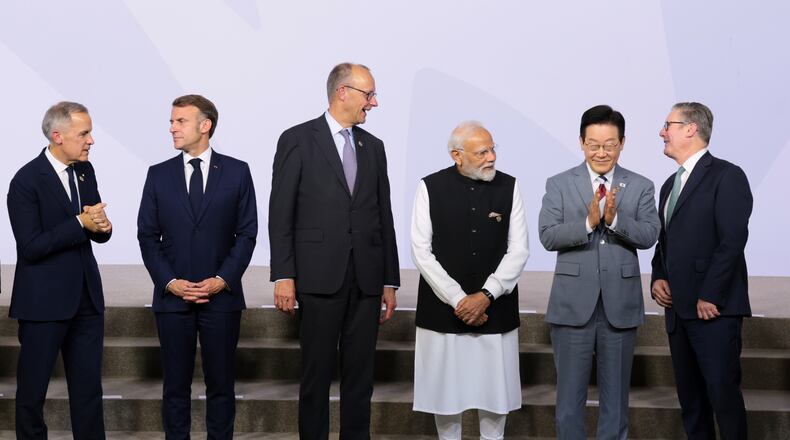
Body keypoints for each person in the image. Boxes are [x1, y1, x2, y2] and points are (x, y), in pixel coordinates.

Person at [268, 62, 399, 439]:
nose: (373, 103)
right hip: (317, 277)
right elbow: (282, 213)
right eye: (368, 94)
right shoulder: (297, 139)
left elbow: (382, 215)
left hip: (367, 279)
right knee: (316, 377)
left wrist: (389, 279)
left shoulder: (373, 147)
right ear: (342, 92)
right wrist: (284, 274)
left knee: (361, 379)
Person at [137, 94, 258, 439]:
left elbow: (247, 233)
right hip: (173, 299)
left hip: (221, 298)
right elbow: (147, 236)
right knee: (175, 387)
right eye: (172, 121)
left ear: (205, 126)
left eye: (180, 121)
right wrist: (169, 281)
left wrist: (222, 279)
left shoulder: (237, 171)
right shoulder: (157, 175)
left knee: (221, 385)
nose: (172, 127)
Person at [538, 105, 660, 439]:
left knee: (616, 400)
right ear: (581, 142)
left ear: (622, 143)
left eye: (609, 144)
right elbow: (548, 235)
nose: (601, 152)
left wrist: (615, 221)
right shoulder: (560, 184)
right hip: (571, 305)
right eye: (593, 144)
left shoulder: (640, 185)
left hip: (619, 306)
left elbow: (650, 234)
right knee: (569, 400)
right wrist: (589, 223)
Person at [410, 121, 529, 440]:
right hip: (443, 311)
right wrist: (458, 299)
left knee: (496, 397)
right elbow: (421, 250)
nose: (491, 157)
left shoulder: (510, 186)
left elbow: (519, 250)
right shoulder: (429, 187)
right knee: (445, 398)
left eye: (493, 149)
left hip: (496, 309)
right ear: (457, 155)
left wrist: (486, 295)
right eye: (482, 152)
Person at [7, 101, 112, 439]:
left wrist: (103, 227)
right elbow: (31, 247)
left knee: (88, 394)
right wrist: (79, 223)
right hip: (43, 304)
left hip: (86, 300)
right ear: (57, 136)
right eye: (84, 133)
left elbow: (93, 228)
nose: (91, 140)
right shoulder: (25, 181)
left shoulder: (85, 171)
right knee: (32, 393)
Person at [651, 102, 752, 439]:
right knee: (691, 402)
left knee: (723, 397)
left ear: (691, 128)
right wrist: (658, 277)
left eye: (668, 125)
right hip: (678, 313)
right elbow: (664, 242)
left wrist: (711, 294)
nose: (662, 132)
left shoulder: (727, 175)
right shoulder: (669, 185)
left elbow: (733, 240)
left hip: (714, 312)